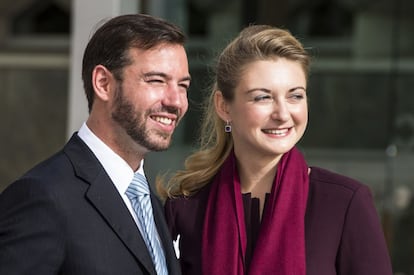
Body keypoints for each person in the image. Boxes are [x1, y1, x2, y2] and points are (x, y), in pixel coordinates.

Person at [159, 25, 393, 275]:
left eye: (295, 96)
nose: (282, 114)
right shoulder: (185, 208)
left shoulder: (345, 203)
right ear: (224, 106)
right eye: (263, 97)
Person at [0, 13, 190, 275]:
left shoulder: (151, 202)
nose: (176, 101)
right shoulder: (43, 197)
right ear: (103, 83)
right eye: (156, 80)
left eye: (183, 85)